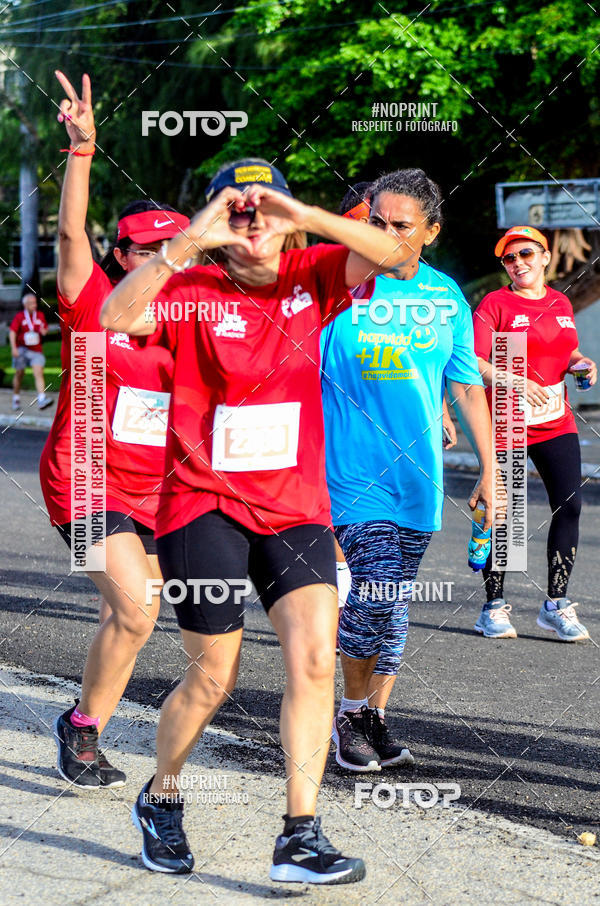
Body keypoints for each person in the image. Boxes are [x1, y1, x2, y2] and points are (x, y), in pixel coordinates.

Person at [100, 157, 417, 883]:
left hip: (294, 507)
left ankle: (299, 837)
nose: (254, 223)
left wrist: (301, 214)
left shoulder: (312, 273)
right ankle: (162, 794)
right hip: (202, 505)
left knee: (314, 660)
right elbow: (115, 317)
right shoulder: (190, 287)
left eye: (265, 209)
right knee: (215, 677)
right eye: (238, 211)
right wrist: (196, 235)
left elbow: (397, 255)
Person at [41, 71, 189, 789]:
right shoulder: (92, 302)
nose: (160, 263)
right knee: (137, 608)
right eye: (144, 252)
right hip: (85, 478)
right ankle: (81, 728)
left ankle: (86, 723)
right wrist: (82, 151)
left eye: (174, 250)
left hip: (155, 492)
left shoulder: (194, 316)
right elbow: (72, 233)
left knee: (122, 613)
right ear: (120, 258)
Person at [320, 168, 493, 772]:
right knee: (375, 589)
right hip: (349, 472)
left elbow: (465, 385)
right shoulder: (340, 287)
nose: (386, 234)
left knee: (394, 603)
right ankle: (348, 714)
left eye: (401, 225)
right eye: (377, 223)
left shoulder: (446, 296)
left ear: (431, 231)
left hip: (419, 477)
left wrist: (491, 470)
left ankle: (374, 717)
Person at [473, 225, 596, 641]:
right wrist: (514, 381)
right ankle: (492, 608)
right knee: (505, 515)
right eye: (509, 258)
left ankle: (556, 605)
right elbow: (474, 363)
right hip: (507, 422)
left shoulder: (560, 302)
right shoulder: (495, 303)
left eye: (526, 254)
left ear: (545, 257)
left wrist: (582, 364)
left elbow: (567, 351)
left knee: (570, 506)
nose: (517, 263)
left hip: (555, 422)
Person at [9, 291, 53, 411]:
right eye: (31, 303)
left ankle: (41, 399)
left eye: (35, 303)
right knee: (19, 373)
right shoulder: (19, 316)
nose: (34, 305)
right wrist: (13, 348)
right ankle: (16, 398)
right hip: (22, 349)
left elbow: (45, 329)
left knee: (38, 372)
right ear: (25, 305)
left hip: (36, 350)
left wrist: (44, 331)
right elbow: (12, 332)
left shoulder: (40, 315)